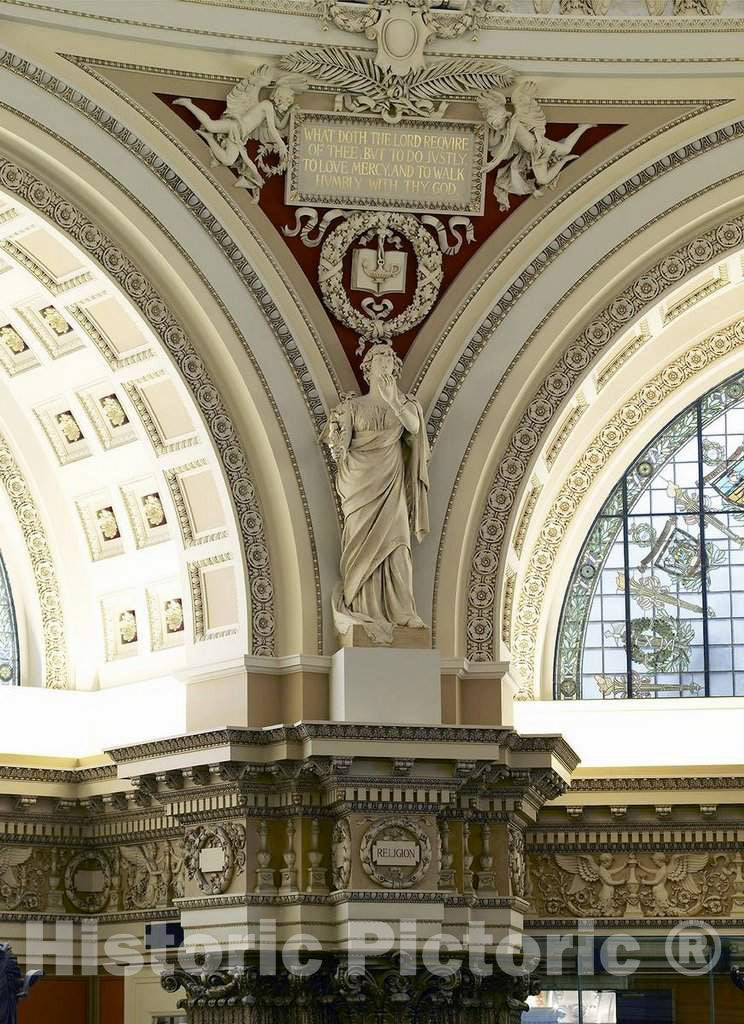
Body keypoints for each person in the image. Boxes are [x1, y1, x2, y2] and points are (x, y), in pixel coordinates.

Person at [323, 344, 430, 643]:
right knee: (359, 543)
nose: (384, 362)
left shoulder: (405, 403)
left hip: (390, 482)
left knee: (398, 545)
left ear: (394, 369)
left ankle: (402, 611)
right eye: (378, 358)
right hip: (359, 484)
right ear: (367, 367)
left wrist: (392, 400)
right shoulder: (351, 408)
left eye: (389, 359)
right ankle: (361, 603)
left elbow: (413, 426)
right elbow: (338, 449)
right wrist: (337, 439)